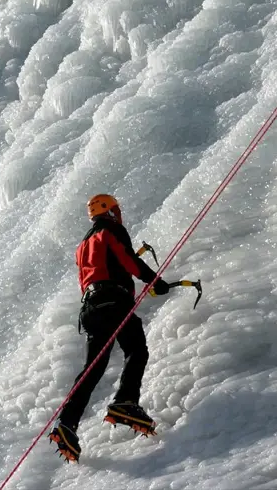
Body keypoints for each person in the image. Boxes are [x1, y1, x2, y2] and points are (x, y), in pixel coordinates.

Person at [49, 194, 171, 463]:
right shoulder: (111, 230)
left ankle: (67, 423)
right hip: (113, 301)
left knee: (93, 369)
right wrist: (154, 281)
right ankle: (125, 401)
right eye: (115, 208)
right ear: (108, 210)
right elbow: (126, 259)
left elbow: (103, 269)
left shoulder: (83, 244)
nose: (118, 213)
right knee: (136, 350)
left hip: (90, 309)